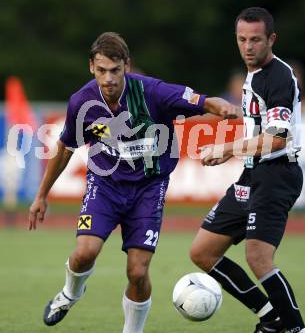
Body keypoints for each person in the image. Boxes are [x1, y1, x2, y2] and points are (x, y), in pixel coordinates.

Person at [28, 32, 240, 332]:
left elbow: (204, 101)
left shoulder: (154, 92)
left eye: (115, 70)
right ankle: (70, 293)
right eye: (101, 70)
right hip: (105, 184)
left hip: (149, 189)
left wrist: (224, 109)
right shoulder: (82, 101)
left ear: (126, 66)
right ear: (91, 67)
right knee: (84, 252)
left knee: (138, 272)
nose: (109, 78)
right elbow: (65, 148)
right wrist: (42, 195)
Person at [190, 7, 305, 333]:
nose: (248, 47)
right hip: (252, 175)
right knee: (203, 252)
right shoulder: (253, 74)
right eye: (242, 39)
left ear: (272, 39)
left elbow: (277, 139)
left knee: (257, 257)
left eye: (256, 39)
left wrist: (226, 149)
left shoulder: (280, 76)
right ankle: (271, 318)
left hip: (277, 174)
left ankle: (296, 329)